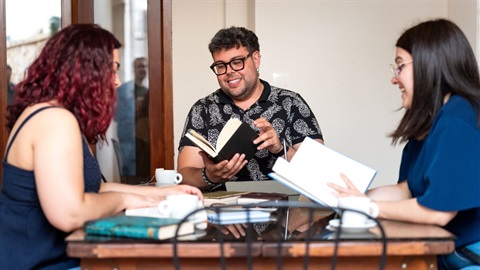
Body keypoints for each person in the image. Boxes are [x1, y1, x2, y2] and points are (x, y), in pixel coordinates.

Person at [0, 24, 202, 270]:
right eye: (113, 70)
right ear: (86, 70)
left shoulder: (55, 115)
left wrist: (162, 193)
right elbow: (69, 213)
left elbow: (93, 187)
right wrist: (123, 199)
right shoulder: (54, 120)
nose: (117, 82)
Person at [328, 19, 480, 269]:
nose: (394, 79)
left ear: (428, 64)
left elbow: (437, 212)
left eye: (400, 67)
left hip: (468, 257)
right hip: (444, 251)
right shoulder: (431, 120)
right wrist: (352, 195)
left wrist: (369, 207)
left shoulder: (457, 122)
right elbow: (407, 190)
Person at [177, 26, 323, 191]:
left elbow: (319, 174)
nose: (229, 72)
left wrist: (280, 150)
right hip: (220, 209)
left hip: (282, 207)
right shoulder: (202, 109)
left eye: (237, 62)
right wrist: (210, 176)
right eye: (220, 66)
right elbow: (183, 176)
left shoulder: (291, 103)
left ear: (256, 59)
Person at [114, 57, 150, 178]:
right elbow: (115, 115)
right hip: (126, 140)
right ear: (134, 69)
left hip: (142, 142)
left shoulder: (148, 93)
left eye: (145, 66)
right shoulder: (124, 90)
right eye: (139, 66)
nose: (142, 69)